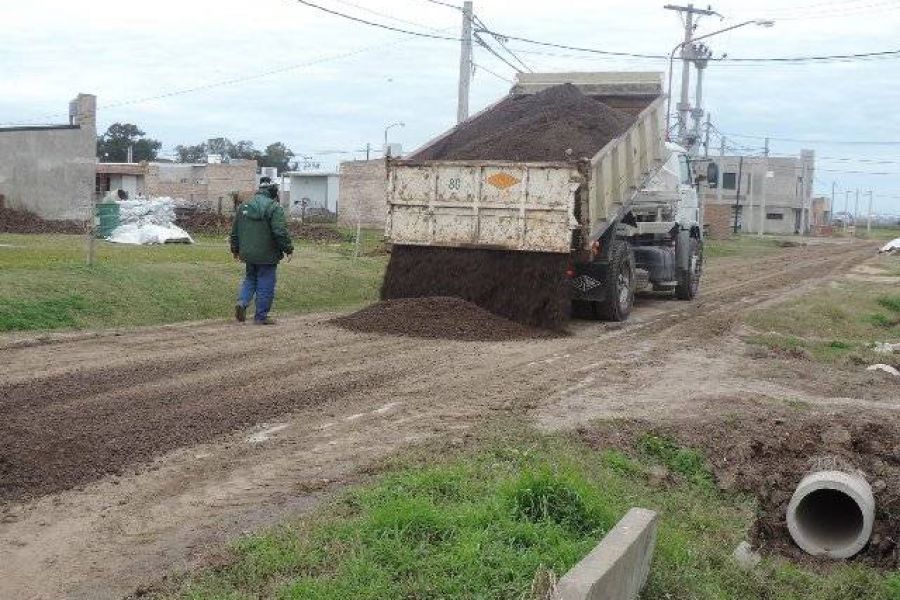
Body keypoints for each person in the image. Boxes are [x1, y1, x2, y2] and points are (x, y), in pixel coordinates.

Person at [230, 180, 294, 325]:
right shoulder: (274, 208)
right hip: (267, 255)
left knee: (250, 278)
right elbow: (279, 232)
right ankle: (260, 317)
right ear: (273, 193)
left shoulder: (244, 206)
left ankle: (242, 302)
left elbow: (235, 231)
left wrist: (235, 249)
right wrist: (288, 249)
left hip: (248, 254)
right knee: (266, 282)